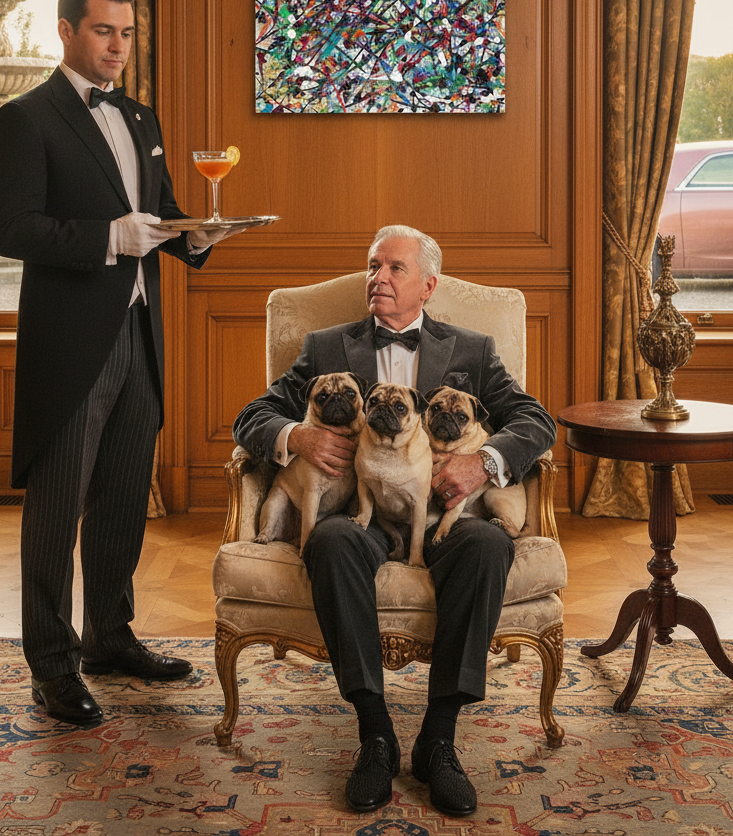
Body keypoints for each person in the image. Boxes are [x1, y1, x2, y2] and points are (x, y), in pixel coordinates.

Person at [0, 0, 242, 727]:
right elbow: (14, 230)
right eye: (104, 32)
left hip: (140, 333)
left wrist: (198, 234)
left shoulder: (139, 115)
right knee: (56, 511)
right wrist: (107, 239)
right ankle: (51, 666)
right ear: (66, 31)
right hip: (70, 347)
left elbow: (157, 215)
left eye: (127, 34)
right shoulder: (25, 118)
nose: (119, 47)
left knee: (123, 500)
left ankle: (109, 636)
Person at [233, 225, 557, 816]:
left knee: (488, 548)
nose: (377, 278)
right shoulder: (326, 347)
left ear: (428, 285)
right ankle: (375, 733)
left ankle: (439, 737)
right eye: (372, 266)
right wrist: (297, 436)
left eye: (394, 269)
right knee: (328, 543)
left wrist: (482, 464)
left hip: (446, 516)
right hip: (359, 515)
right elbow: (252, 416)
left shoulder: (472, 350)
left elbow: (536, 421)